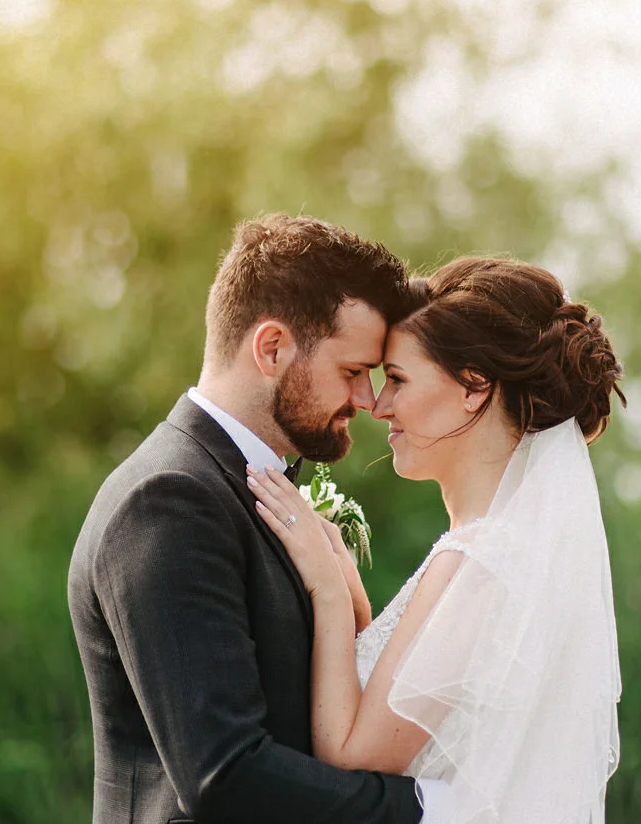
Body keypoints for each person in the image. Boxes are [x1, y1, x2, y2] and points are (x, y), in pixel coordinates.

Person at [68, 214, 441, 824]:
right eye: (352, 372)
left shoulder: (247, 491)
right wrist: (435, 811)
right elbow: (227, 774)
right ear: (271, 348)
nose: (368, 401)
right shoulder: (168, 500)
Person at [247, 256, 626, 823]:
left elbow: (353, 756)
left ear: (474, 387)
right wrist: (354, 603)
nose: (377, 405)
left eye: (397, 379)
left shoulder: (480, 561)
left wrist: (325, 589)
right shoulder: (499, 552)